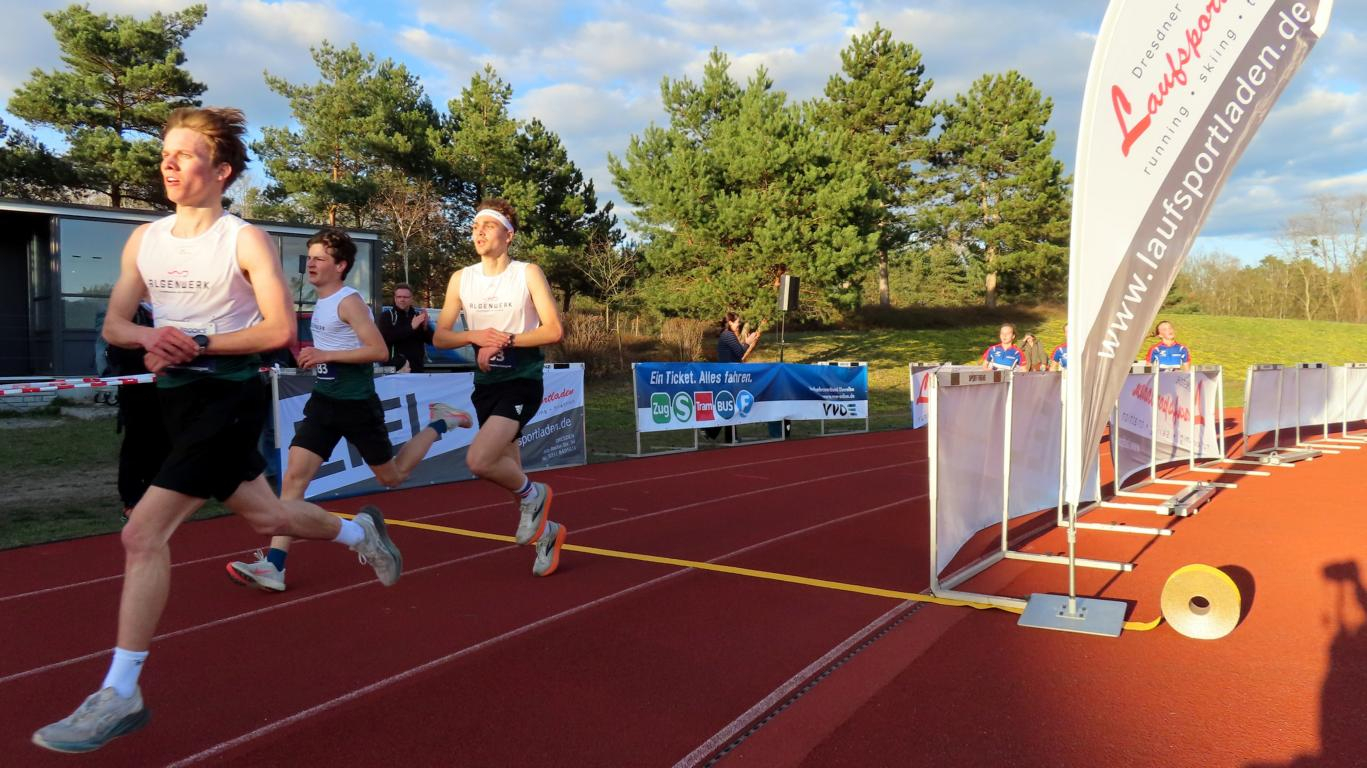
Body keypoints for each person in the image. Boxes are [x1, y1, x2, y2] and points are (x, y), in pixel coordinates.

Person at [32, 107, 403, 755]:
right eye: (165, 153)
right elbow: (117, 324)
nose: (169, 163)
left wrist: (198, 341)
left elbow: (277, 331)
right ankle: (358, 533)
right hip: (171, 401)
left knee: (142, 532)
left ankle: (121, 691)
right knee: (266, 516)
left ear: (222, 170)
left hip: (228, 397)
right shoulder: (145, 241)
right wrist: (152, 337)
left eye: (184, 154)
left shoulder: (244, 240)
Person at [225, 229, 473, 592]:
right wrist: (316, 357)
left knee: (392, 476)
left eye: (320, 258)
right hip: (324, 402)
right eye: (309, 257)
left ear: (340, 266)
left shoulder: (349, 301)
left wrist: (325, 354)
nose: (311, 263)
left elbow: (378, 351)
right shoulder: (320, 300)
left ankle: (442, 422)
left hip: (357, 405)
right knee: (293, 481)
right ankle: (275, 566)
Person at [433, 199, 567, 577]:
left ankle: (536, 494)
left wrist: (503, 340)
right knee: (509, 471)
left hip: (522, 381)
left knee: (480, 461)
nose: (478, 232)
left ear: (508, 235)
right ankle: (548, 533)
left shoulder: (527, 273)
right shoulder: (461, 278)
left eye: (488, 226)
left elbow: (553, 330)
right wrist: (475, 337)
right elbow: (441, 337)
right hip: (486, 385)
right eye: (475, 227)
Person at [102, 300, 169, 517]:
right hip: (136, 392)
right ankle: (131, 499)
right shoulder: (128, 312)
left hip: (167, 390)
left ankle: (157, 495)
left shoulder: (170, 310)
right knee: (136, 444)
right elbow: (115, 351)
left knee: (164, 443)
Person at [706, 312, 762, 441]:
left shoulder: (727, 335)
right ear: (730, 322)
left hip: (729, 374)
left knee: (730, 405)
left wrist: (747, 343)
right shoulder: (728, 335)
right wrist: (748, 342)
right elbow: (740, 352)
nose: (739, 324)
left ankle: (725, 435)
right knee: (730, 405)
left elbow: (736, 354)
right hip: (728, 375)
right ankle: (711, 431)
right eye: (737, 322)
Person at [378, 283, 432, 372]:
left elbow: (431, 341)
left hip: (416, 368)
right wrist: (411, 327)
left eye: (405, 297)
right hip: (395, 368)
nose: (402, 300)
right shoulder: (387, 316)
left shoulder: (417, 316)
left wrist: (425, 327)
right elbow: (385, 338)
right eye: (399, 297)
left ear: (411, 299)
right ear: (395, 298)